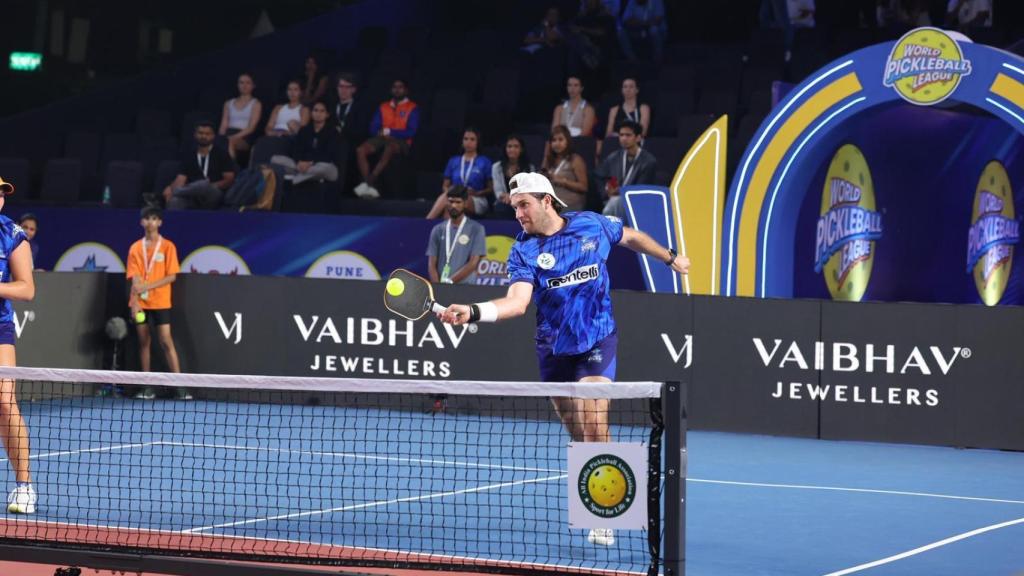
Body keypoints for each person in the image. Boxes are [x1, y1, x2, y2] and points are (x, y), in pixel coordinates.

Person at [437, 172, 689, 547]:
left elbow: (631, 237)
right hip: (553, 348)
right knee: (576, 429)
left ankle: (607, 513)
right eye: (515, 206)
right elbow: (518, 303)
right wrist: (473, 312)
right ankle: (598, 468)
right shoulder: (523, 250)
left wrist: (669, 258)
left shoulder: (592, 224)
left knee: (593, 418)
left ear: (547, 201)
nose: (518, 213)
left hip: (596, 339)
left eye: (524, 205)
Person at [0, 177, 36, 514]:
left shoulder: (12, 235)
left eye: (1, 193)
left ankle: (24, 487)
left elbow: (26, 289)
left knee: (4, 402)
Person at [127, 206, 188, 400]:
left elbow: (171, 277)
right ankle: (147, 387)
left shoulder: (168, 246)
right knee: (144, 341)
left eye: (154, 219)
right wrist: (135, 301)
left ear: (160, 222)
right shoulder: (135, 248)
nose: (151, 222)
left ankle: (179, 386)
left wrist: (148, 286)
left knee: (165, 340)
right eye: (147, 219)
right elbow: (135, 277)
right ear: (141, 222)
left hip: (161, 302)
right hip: (141, 305)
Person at [354, 79, 419, 199]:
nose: (397, 89)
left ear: (405, 90)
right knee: (360, 150)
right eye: (394, 87)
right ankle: (367, 183)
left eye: (400, 87)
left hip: (401, 140)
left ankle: (370, 181)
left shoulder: (412, 107)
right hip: (382, 137)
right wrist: (382, 133)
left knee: (389, 148)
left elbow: (412, 131)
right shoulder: (383, 106)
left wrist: (391, 132)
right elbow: (373, 128)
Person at [163, 121, 238, 210]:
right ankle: (172, 222)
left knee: (203, 185)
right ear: (195, 135)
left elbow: (229, 179)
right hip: (192, 193)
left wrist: (210, 186)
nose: (203, 136)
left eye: (207, 134)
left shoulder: (221, 154)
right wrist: (171, 188)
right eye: (200, 133)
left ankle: (177, 192)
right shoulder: (189, 155)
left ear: (213, 136)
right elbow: (181, 179)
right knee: (175, 201)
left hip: (214, 193)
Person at [425, 127, 493, 219]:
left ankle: (427, 222)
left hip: (476, 199)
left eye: (472, 139)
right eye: (466, 139)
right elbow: (445, 186)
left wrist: (477, 193)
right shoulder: (453, 161)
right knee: (450, 204)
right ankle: (447, 232)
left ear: (478, 142)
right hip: (454, 196)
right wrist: (451, 193)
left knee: (452, 201)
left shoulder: (485, 161)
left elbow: (491, 188)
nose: (468, 142)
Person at [426, 185, 487, 285]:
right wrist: (437, 286)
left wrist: (450, 281)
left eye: (458, 202)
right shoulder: (438, 229)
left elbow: (473, 263)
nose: (453, 205)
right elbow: (431, 264)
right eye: (451, 201)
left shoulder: (477, 229)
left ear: (466, 203)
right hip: (441, 287)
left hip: (465, 289)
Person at [269, 101, 339, 185]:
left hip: (321, 165)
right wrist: (299, 162)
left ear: (327, 114)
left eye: (322, 111)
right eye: (315, 110)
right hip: (302, 165)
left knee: (325, 168)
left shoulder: (332, 132)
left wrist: (309, 163)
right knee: (275, 159)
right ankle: (307, 176)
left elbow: (329, 155)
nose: (318, 114)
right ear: (312, 113)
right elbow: (296, 150)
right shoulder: (304, 130)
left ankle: (295, 178)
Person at [597, 120, 657, 218]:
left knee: (614, 203)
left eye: (628, 135)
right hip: (612, 199)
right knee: (613, 202)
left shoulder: (648, 161)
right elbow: (599, 176)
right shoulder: (614, 157)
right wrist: (606, 190)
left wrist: (620, 191)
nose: (624, 138)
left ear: (638, 138)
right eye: (621, 135)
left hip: (635, 203)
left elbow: (641, 188)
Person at [542, 126, 588, 212]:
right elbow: (541, 178)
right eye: (554, 140)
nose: (557, 143)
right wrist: (546, 155)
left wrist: (563, 181)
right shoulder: (550, 160)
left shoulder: (575, 159)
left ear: (567, 141)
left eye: (560, 140)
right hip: (551, 203)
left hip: (569, 204)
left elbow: (584, 187)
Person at [218, 72, 263, 160]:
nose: (244, 85)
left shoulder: (256, 104)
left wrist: (233, 137)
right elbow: (223, 125)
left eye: (247, 83)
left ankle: (231, 169)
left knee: (229, 142)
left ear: (253, 85)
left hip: (244, 135)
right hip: (228, 132)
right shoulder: (228, 103)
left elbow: (251, 128)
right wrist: (221, 137)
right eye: (241, 82)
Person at [492, 135, 537, 219]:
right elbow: (498, 191)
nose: (512, 149)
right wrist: (505, 196)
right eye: (509, 146)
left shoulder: (529, 168)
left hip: (523, 201)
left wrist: (516, 198)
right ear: (505, 149)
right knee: (501, 208)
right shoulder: (496, 167)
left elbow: (530, 190)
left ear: (521, 149)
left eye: (516, 146)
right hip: (505, 201)